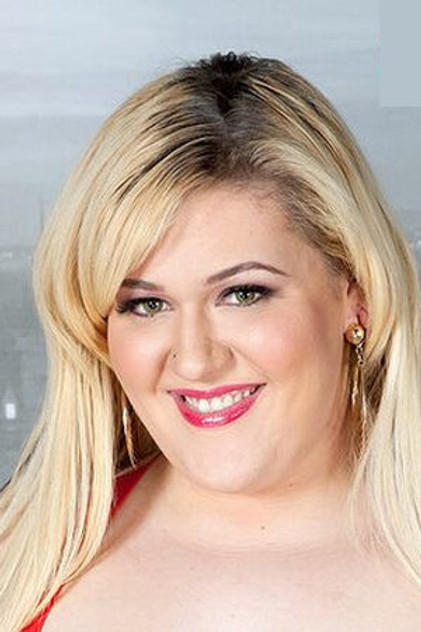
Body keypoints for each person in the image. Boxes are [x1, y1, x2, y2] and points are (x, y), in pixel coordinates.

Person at [1, 51, 421, 631]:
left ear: (358, 295)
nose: (196, 360)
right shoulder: (17, 559)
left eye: (243, 294)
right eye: (146, 304)